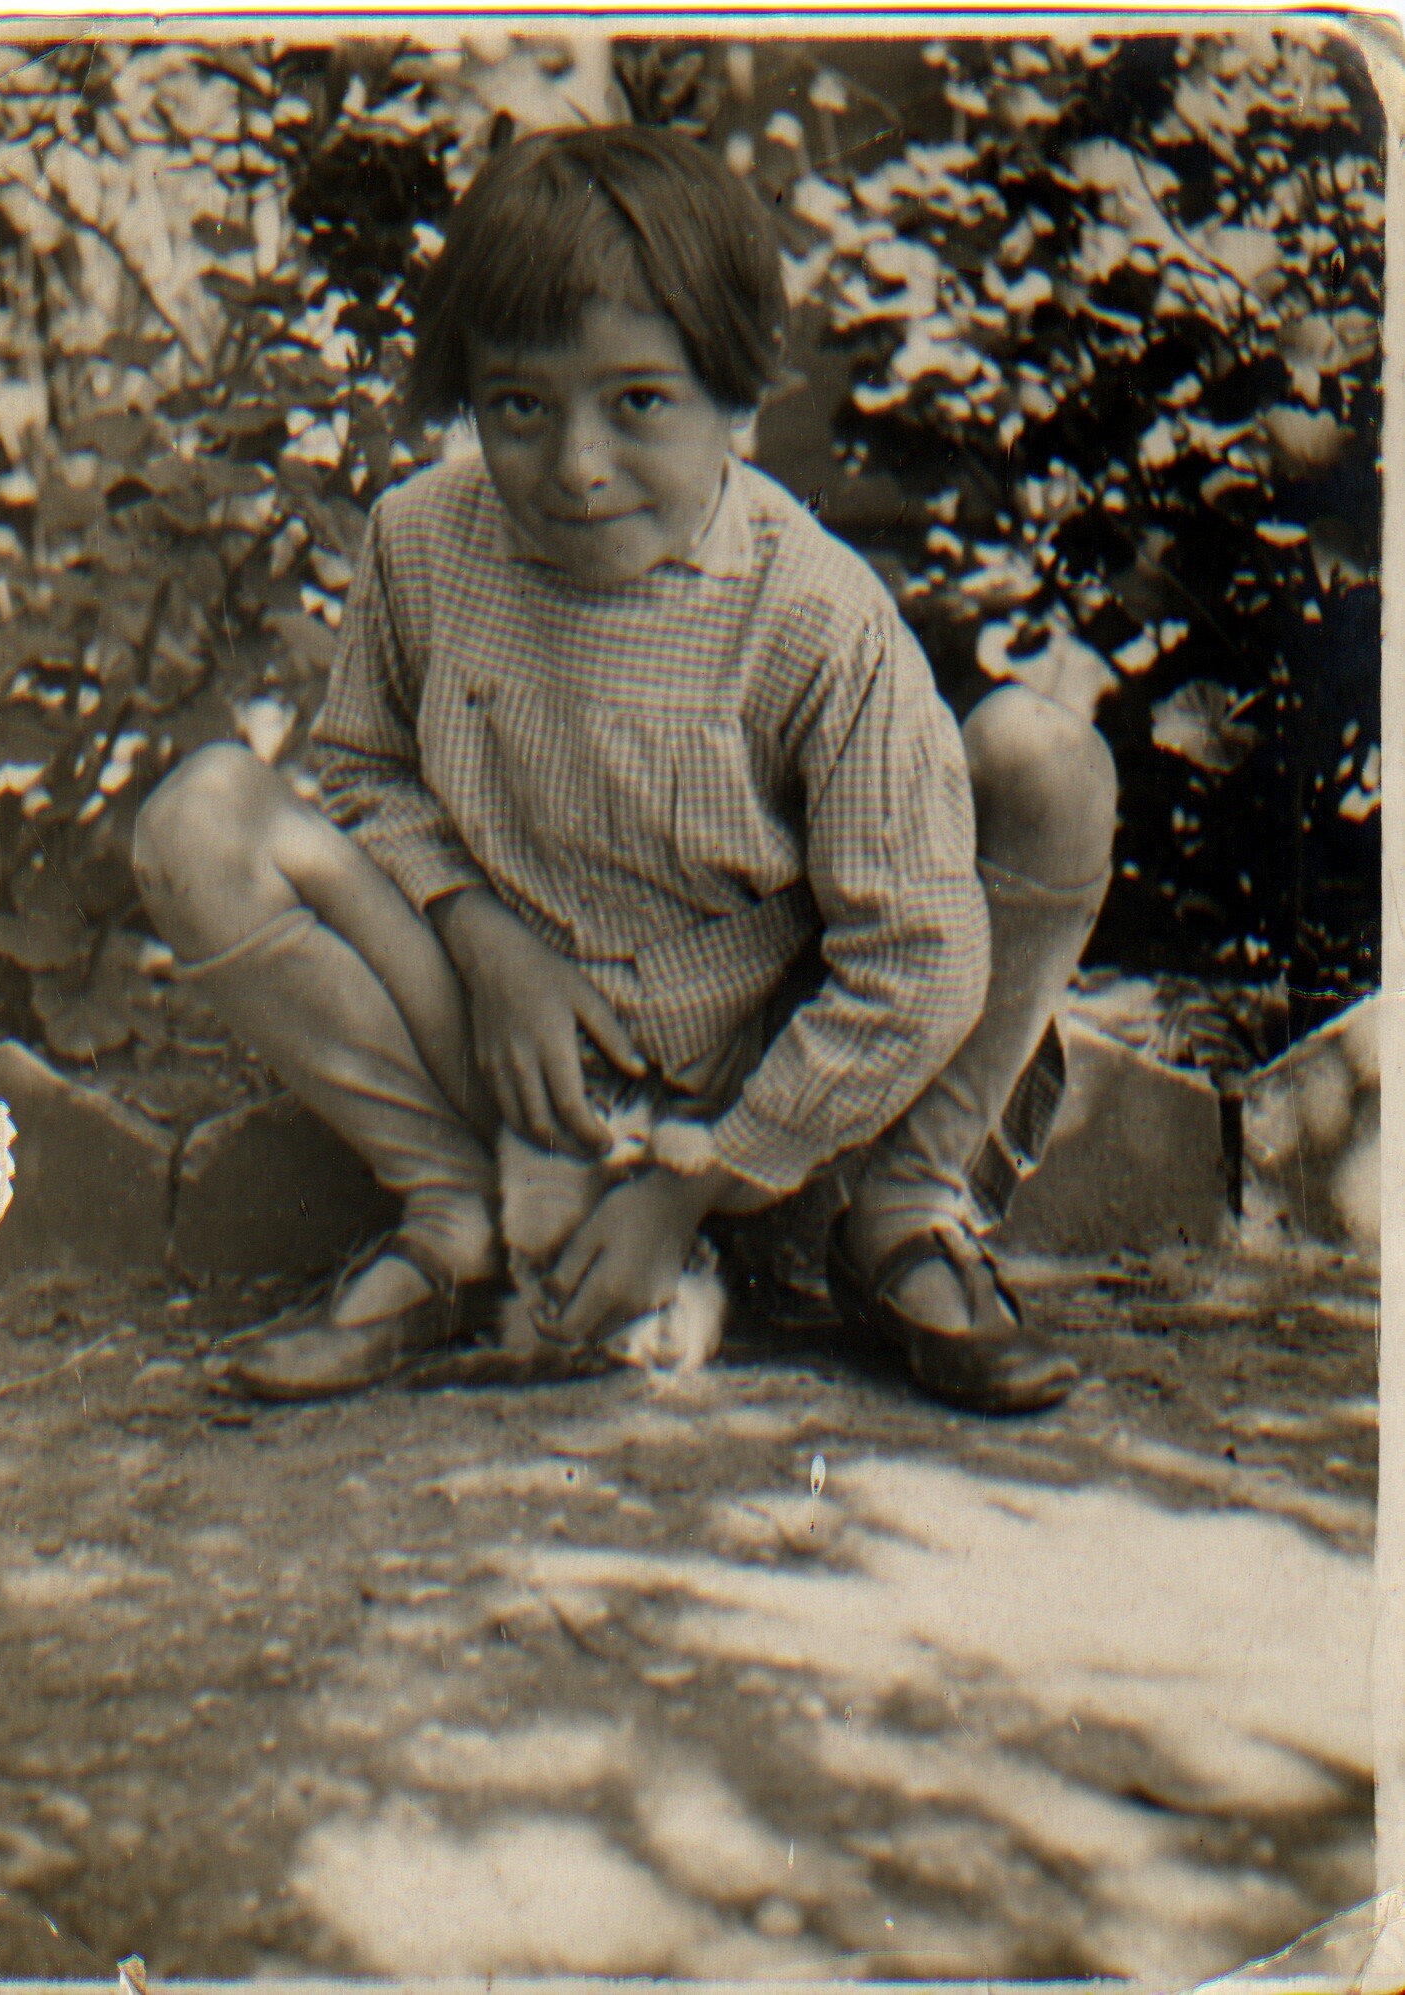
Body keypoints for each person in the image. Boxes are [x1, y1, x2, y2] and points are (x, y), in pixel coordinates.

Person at [133, 125, 1116, 1413]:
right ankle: (455, 1220)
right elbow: (366, 775)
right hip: (513, 1048)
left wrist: (695, 1181)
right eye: (519, 407)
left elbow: (921, 957)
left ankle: (907, 1215)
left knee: (1046, 764)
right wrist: (483, 936)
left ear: (739, 399)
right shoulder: (422, 541)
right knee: (202, 817)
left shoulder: (815, 613)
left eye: (639, 402)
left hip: (767, 1050)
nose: (577, 466)